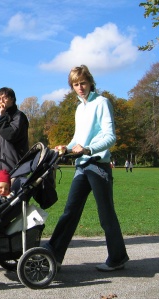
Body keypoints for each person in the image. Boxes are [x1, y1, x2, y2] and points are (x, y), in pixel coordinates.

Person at [44, 65, 129, 272]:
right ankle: (53, 255)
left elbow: (110, 137)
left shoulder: (102, 103)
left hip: (98, 165)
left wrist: (89, 149)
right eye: (75, 84)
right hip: (82, 165)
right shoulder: (79, 108)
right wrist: (67, 147)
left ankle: (117, 257)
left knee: (105, 213)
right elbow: (78, 139)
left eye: (82, 82)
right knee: (70, 211)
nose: (79, 87)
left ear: (90, 82)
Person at [0, 87, 29, 172]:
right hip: (2, 168)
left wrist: (2, 116)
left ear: (12, 99)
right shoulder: (4, 118)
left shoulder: (18, 116)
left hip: (15, 168)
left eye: (5, 98)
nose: (1, 101)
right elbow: (4, 145)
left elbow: (10, 135)